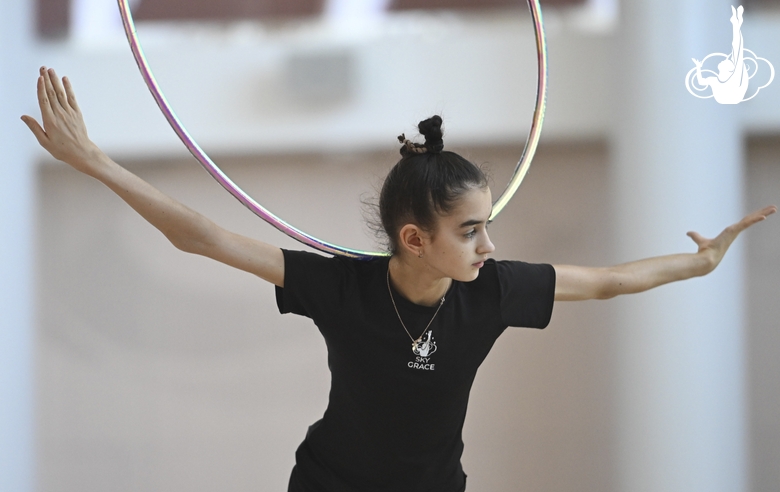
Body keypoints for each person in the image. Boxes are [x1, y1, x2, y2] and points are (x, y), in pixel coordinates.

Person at [22, 66, 776, 492]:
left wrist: (699, 263)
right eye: (471, 230)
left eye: (487, 226)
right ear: (415, 240)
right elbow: (204, 236)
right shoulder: (341, 288)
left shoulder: (494, 290)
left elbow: (609, 281)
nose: (489, 243)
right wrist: (95, 161)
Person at [692, 5, 749, 104]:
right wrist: (698, 67)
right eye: (729, 61)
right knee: (736, 50)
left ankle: (736, 23)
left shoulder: (733, 79)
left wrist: (736, 26)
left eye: (728, 61)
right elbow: (701, 82)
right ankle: (736, 23)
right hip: (728, 100)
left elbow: (737, 49)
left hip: (731, 99)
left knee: (736, 50)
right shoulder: (716, 80)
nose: (725, 59)